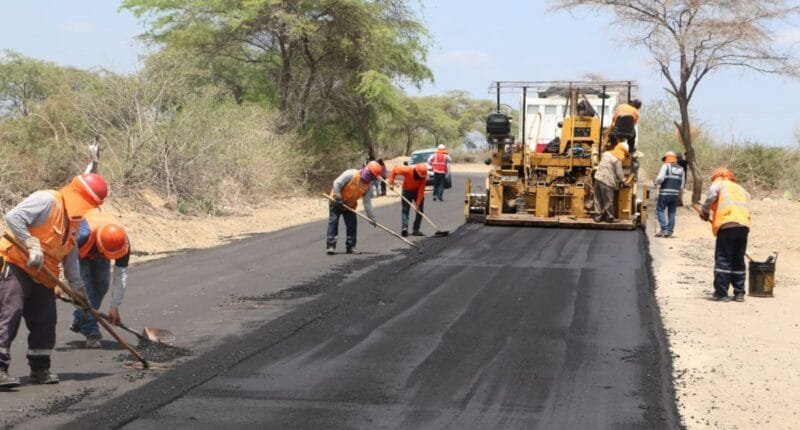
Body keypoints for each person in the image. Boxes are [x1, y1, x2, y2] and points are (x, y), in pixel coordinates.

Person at [0, 172, 107, 387]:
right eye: (88, 203)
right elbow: (13, 217)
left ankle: (40, 369)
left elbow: (71, 258)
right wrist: (31, 243)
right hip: (16, 264)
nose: (87, 208)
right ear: (79, 195)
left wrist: (77, 289)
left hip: (43, 276)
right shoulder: (48, 200)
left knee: (45, 321)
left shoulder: (74, 222)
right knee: (11, 313)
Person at [69, 144, 131, 348]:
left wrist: (114, 307)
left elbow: (120, 275)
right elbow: (63, 253)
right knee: (86, 290)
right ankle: (91, 332)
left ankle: (81, 316)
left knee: (102, 286)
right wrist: (59, 281)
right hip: (79, 253)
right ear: (99, 245)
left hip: (96, 246)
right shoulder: (82, 234)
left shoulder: (122, 242)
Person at [699, 168, 751, 302]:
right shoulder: (739, 188)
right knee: (738, 259)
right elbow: (747, 199)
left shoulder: (719, 184)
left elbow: (711, 195)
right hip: (743, 226)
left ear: (717, 176)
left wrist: (704, 211)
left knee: (723, 258)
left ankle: (721, 293)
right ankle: (739, 293)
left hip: (727, 225)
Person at [326, 161, 384, 255]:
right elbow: (336, 183)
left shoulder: (367, 186)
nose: (370, 176)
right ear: (366, 169)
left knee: (352, 225)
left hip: (350, 206)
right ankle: (331, 246)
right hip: (336, 202)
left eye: (372, 176)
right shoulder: (351, 174)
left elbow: (367, 202)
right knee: (334, 221)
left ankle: (351, 247)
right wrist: (338, 196)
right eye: (369, 173)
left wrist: (371, 216)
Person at [388, 163, 428, 237]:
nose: (419, 178)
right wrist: (391, 182)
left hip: (417, 192)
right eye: (418, 176)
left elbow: (421, 192)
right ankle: (404, 228)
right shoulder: (408, 170)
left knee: (420, 211)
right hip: (406, 191)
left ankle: (416, 229)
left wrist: (418, 205)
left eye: (421, 177)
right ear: (415, 172)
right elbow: (394, 170)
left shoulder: (423, 178)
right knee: (405, 210)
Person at [593, 142, 629, 223]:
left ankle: (598, 217)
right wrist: (624, 181)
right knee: (608, 200)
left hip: (597, 178)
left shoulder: (606, 154)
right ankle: (609, 217)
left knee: (597, 198)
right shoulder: (617, 159)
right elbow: (619, 173)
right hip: (607, 181)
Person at [654, 151, 686, 238]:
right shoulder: (681, 169)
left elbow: (660, 178)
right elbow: (682, 185)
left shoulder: (666, 166)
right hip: (675, 195)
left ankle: (664, 229)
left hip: (664, 193)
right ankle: (669, 231)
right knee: (672, 212)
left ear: (666, 158)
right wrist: (680, 195)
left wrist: (656, 181)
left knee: (660, 210)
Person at [609, 99, 642, 177]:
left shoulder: (621, 107)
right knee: (633, 135)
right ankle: (630, 150)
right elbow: (633, 123)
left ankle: (614, 147)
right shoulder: (636, 112)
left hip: (617, 132)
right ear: (637, 107)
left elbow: (614, 119)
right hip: (628, 133)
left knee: (611, 135)